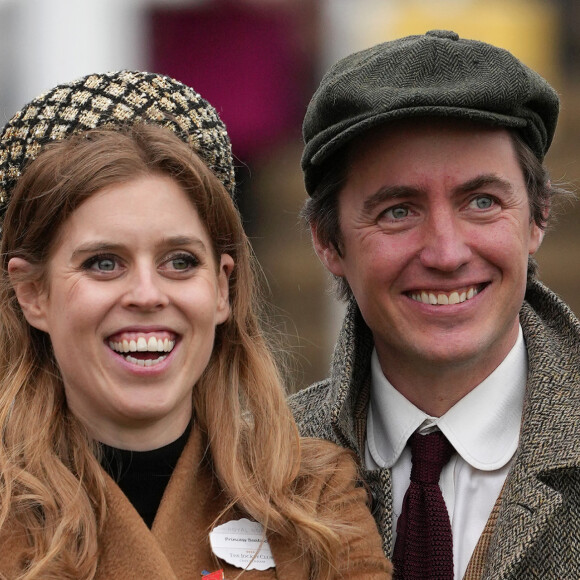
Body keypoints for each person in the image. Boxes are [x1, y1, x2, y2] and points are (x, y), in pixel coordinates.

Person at [0, 71, 392, 579]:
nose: (147, 294)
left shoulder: (314, 497)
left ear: (222, 288)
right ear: (33, 293)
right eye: (103, 262)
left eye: (180, 261)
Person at [289, 29, 580, 580]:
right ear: (328, 243)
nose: (446, 253)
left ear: (537, 217)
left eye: (482, 202)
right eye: (398, 211)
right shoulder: (253, 465)